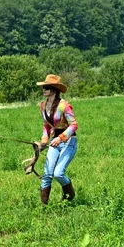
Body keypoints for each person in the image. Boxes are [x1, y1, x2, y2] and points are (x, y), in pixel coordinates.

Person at [34, 74, 78, 204]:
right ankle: (44, 207)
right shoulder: (42, 106)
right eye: (43, 87)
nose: (44, 90)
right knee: (47, 174)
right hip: (54, 142)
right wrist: (43, 142)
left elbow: (74, 125)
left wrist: (60, 138)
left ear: (54, 89)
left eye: (47, 87)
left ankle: (69, 196)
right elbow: (46, 127)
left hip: (68, 141)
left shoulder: (64, 105)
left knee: (58, 173)